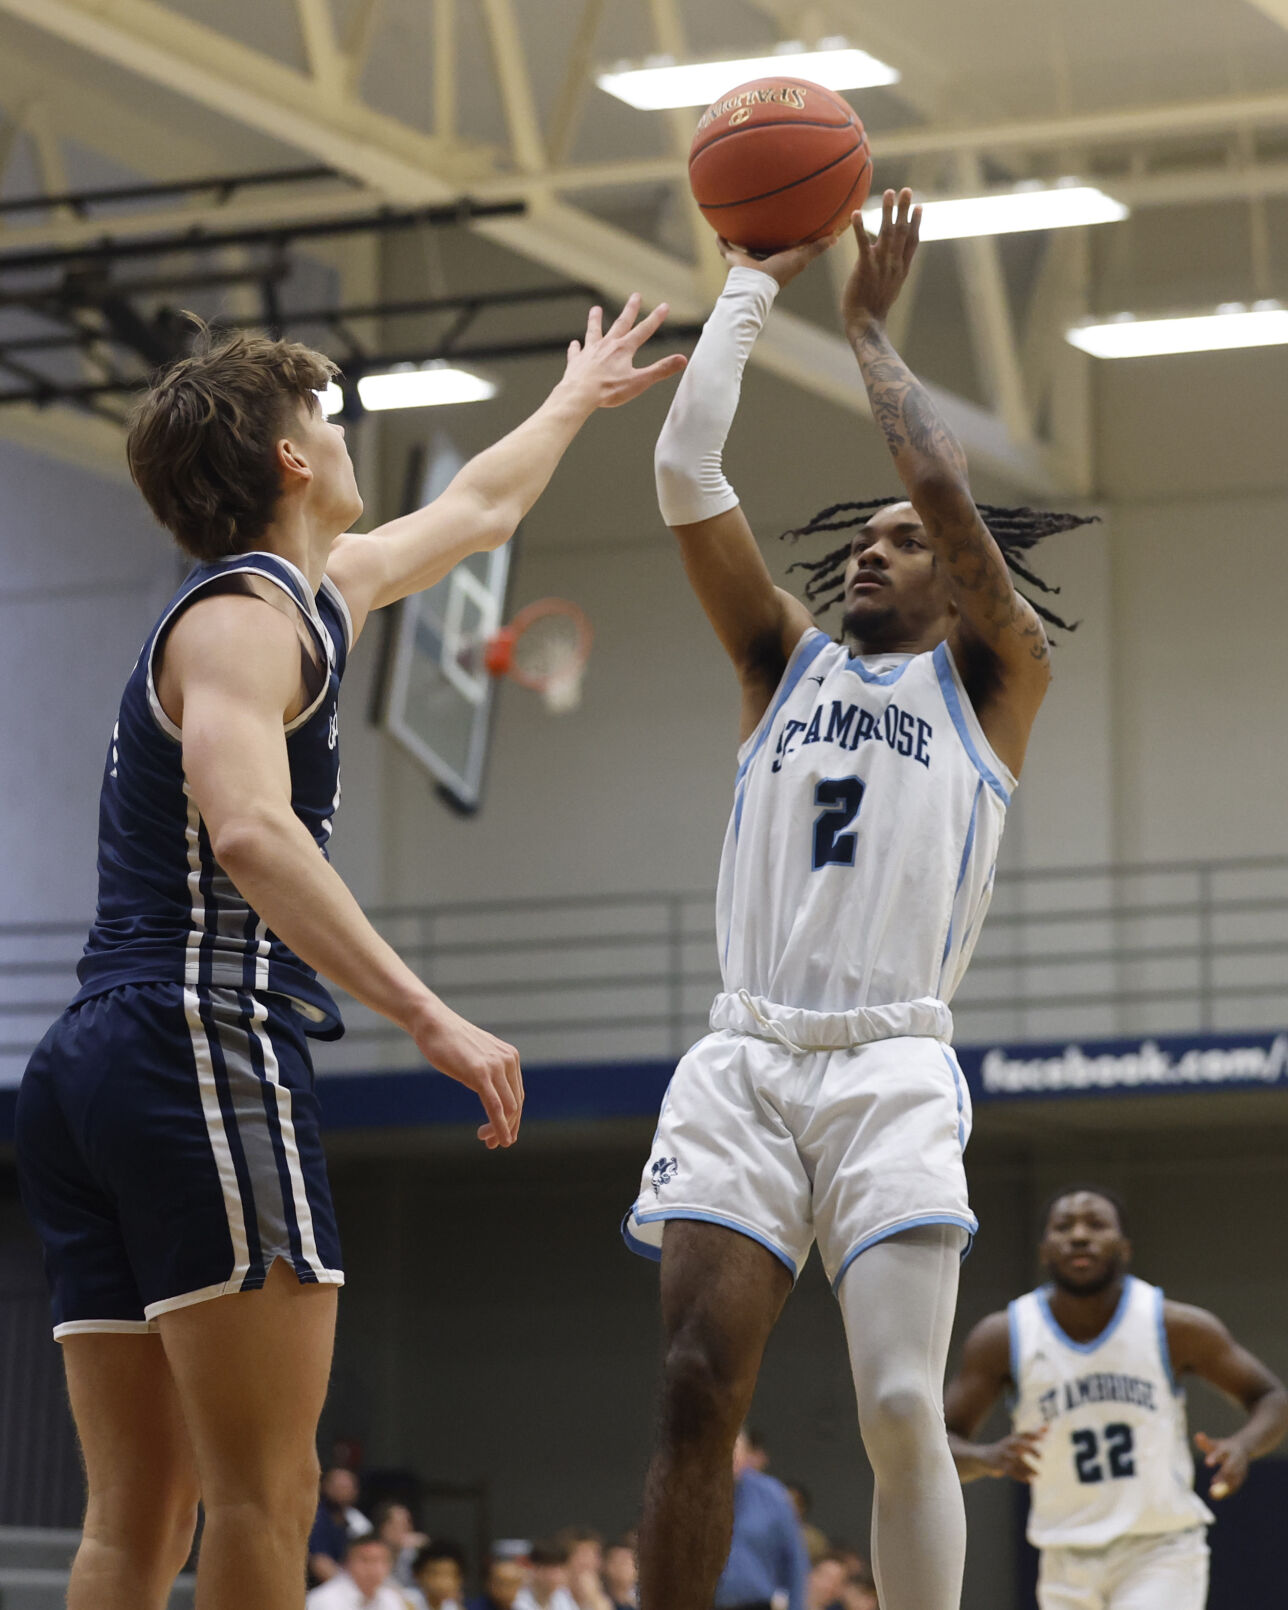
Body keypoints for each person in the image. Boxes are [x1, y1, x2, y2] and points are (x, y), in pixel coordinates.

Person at [14, 297, 685, 1610]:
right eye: (324, 413)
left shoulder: (311, 592)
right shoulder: (241, 622)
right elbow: (255, 835)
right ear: (291, 461)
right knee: (265, 1496)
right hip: (192, 1042)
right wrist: (428, 1013)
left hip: (99, 1060)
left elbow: (480, 509)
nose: (341, 427)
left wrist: (572, 395)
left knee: (133, 1521)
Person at [625, 189, 1094, 1610]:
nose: (875, 548)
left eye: (905, 540)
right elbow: (684, 462)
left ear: (960, 586)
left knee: (900, 1405)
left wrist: (872, 335)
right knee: (698, 1385)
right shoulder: (783, 661)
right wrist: (749, 284)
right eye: (866, 537)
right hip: (748, 1054)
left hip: (892, 1061)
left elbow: (949, 496)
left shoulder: (992, 684)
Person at [943, 1185, 1288, 1610]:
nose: (1080, 1235)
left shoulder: (1173, 1325)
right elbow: (939, 1444)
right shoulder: (1002, 1337)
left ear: (1124, 1247)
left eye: (1097, 1224)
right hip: (1063, 1555)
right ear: (1044, 1251)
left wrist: (1243, 1446)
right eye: (1064, 1227)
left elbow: (1271, 1397)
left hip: (1160, 1548)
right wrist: (987, 1458)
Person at [715, 1428, 808, 1610]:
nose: (730, 1456)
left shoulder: (772, 1495)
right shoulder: (689, 1495)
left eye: (736, 1449)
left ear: (746, 1454)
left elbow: (795, 1559)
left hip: (756, 1603)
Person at [310, 1467, 374, 1585]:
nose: (342, 1491)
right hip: (321, 1591)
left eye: (347, 1487)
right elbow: (320, 1564)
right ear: (325, 1487)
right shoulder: (316, 1519)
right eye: (337, 1486)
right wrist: (352, 1590)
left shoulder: (356, 1521)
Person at [307, 1535, 408, 1610]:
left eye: (380, 1561)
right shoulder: (322, 1600)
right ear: (347, 1564)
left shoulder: (392, 1599)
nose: (373, 1568)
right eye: (365, 1560)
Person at [374, 1501, 429, 1588]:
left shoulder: (411, 1552)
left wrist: (426, 1548)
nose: (407, 1529)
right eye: (400, 1524)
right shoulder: (371, 1553)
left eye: (408, 1523)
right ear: (383, 1528)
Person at [517, 1541, 581, 1610]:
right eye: (554, 1567)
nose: (559, 1575)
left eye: (562, 1567)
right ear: (535, 1568)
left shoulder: (561, 1594)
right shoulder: (517, 1598)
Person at [408, 1540, 467, 1610]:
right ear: (418, 1575)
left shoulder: (452, 1606)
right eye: (435, 1574)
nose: (442, 1583)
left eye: (449, 1574)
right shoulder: (405, 1601)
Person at [602, 1538, 638, 1610]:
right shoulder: (600, 1600)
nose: (630, 1567)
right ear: (606, 1566)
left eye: (631, 1561)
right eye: (622, 1562)